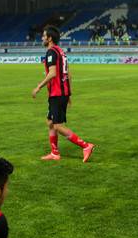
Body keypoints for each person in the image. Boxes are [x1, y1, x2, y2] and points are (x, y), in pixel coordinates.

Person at [32, 25, 95, 162]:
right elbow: (69, 74)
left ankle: (86, 146)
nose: (42, 38)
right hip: (62, 93)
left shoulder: (51, 52)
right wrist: (69, 94)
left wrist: (38, 87)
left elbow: (52, 73)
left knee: (58, 125)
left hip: (57, 94)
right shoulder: (61, 51)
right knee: (50, 122)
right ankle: (55, 153)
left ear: (49, 38)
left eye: (44, 36)